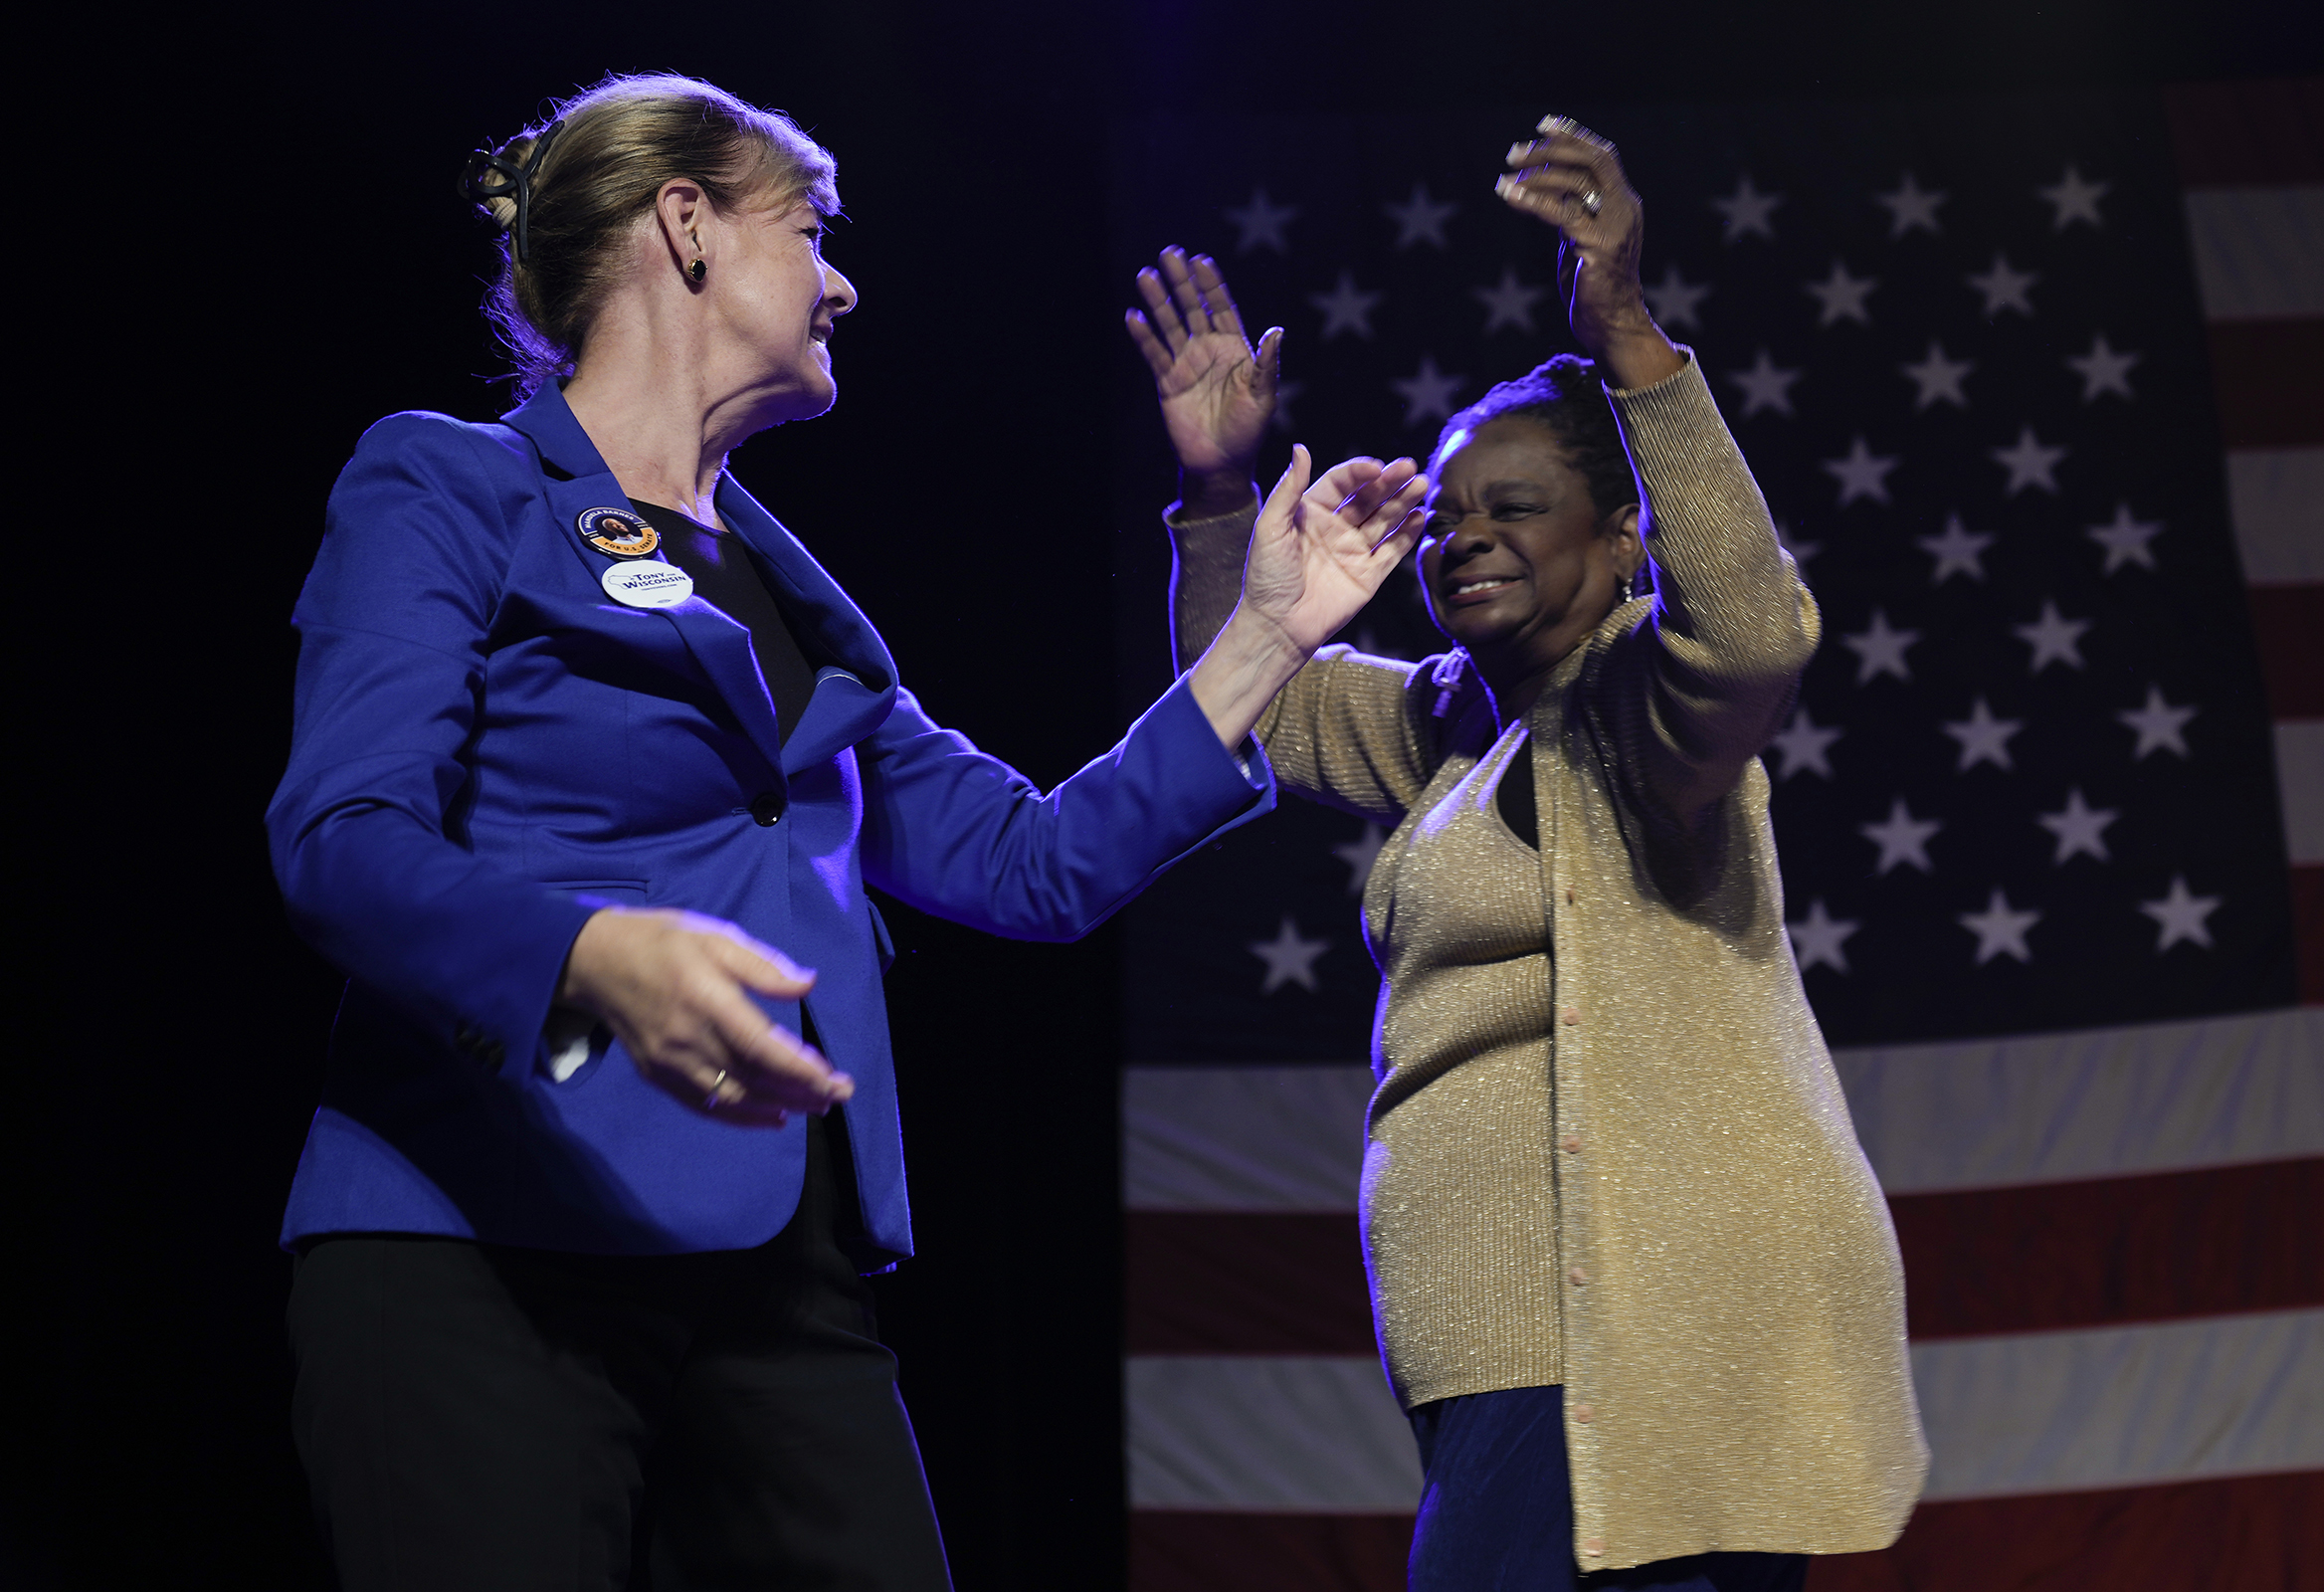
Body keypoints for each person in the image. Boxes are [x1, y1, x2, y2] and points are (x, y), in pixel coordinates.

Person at [269, 72, 1428, 1591]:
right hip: (485, 1244)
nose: (844, 279)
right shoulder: (452, 485)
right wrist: (591, 954)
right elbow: (341, 838)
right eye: (811, 229)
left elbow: (1035, 866)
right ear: (684, 226)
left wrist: (1268, 639)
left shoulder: (799, 607)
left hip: (779, 1275)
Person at [1128, 118, 1927, 1591]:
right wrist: (1219, 493)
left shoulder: (1640, 714)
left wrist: (1626, 335)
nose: (1466, 538)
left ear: (1625, 540)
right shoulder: (1459, 724)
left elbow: (1756, 628)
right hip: (1523, 1348)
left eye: (1518, 507)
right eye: (1448, 513)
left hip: (1623, 1326)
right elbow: (1262, 703)